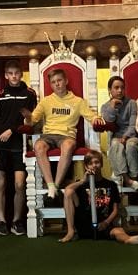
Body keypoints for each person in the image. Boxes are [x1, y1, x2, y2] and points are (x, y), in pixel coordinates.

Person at [26, 68, 105, 200]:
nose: (57, 84)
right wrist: (28, 118)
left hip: (67, 135)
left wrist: (96, 119)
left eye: (59, 80)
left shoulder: (78, 101)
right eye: (53, 82)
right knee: (38, 146)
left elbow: (91, 116)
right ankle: (51, 185)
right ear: (51, 85)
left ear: (66, 81)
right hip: (48, 135)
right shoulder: (46, 101)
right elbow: (33, 119)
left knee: (68, 146)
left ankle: (56, 186)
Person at [0, 60, 37, 236]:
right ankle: (1, 222)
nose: (14, 76)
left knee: (20, 184)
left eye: (17, 73)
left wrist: (12, 130)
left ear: (21, 74)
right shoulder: (0, 96)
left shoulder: (30, 94)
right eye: (10, 73)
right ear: (6, 75)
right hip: (0, 146)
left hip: (20, 145)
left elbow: (31, 120)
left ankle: (17, 221)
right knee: (1, 183)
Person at [58, 150, 138, 245]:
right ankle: (70, 232)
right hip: (84, 225)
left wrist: (106, 223)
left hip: (103, 224)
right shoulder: (81, 185)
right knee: (69, 191)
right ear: (86, 166)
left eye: (96, 162)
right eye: (90, 163)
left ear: (101, 164)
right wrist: (82, 181)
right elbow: (67, 191)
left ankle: (130, 239)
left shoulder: (111, 185)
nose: (94, 165)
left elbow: (115, 210)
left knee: (118, 231)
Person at [99, 75, 138, 190]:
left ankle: (134, 177)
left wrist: (126, 136)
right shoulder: (105, 107)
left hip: (131, 135)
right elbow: (108, 121)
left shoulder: (131, 103)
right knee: (115, 144)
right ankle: (127, 180)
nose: (120, 90)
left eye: (122, 88)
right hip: (115, 137)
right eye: (116, 88)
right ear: (110, 90)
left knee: (131, 145)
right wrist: (112, 106)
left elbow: (133, 125)